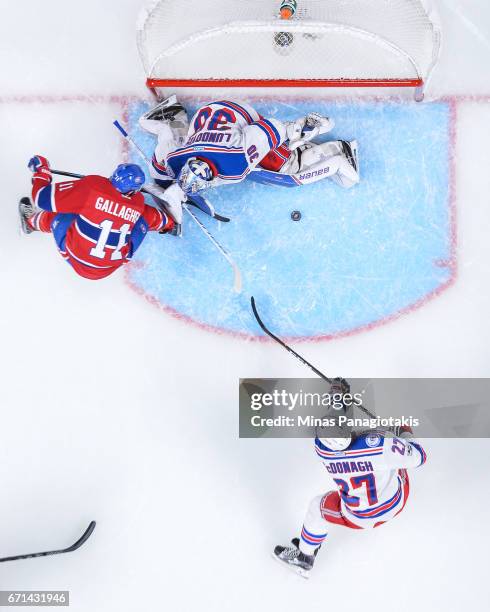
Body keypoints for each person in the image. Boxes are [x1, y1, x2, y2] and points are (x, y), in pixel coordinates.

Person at [273, 379, 427, 579]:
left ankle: (306, 554)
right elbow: (420, 457)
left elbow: (339, 427)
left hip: (358, 517)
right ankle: (305, 554)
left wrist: (338, 398)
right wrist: (403, 432)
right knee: (396, 461)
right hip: (396, 502)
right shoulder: (380, 444)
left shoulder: (322, 449)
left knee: (317, 507)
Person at [137, 96, 360, 221]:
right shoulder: (174, 160)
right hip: (208, 113)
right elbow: (161, 156)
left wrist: (301, 129)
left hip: (239, 114)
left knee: (286, 165)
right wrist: (171, 188)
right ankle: (170, 113)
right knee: (181, 138)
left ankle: (339, 151)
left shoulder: (238, 158)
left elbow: (270, 128)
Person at [19, 156, 176, 281]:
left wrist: (41, 172)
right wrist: (169, 223)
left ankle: (30, 223)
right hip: (110, 267)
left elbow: (41, 199)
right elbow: (151, 216)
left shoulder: (92, 187)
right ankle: (167, 226)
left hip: (75, 258)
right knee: (142, 220)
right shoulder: (138, 203)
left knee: (65, 210)